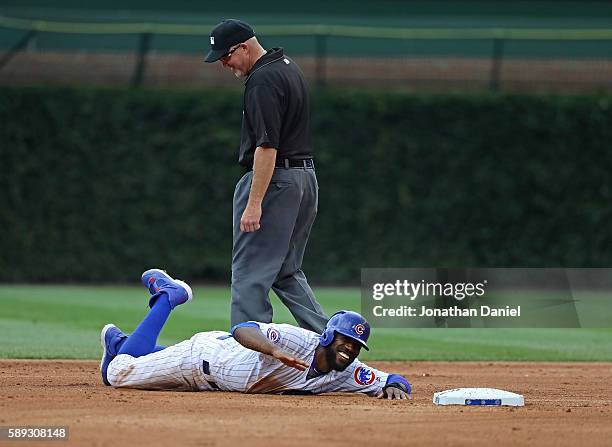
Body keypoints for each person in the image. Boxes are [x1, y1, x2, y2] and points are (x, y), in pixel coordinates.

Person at [100, 269, 412, 399]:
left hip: (214, 384)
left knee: (131, 354)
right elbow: (243, 329)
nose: (351, 350)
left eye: (357, 346)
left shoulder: (347, 372)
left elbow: (393, 379)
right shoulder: (298, 340)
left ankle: (120, 342)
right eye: (347, 341)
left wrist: (396, 385)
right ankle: (170, 296)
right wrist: (273, 350)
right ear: (329, 337)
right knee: (115, 373)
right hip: (198, 360)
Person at [204, 19, 329, 335]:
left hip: (276, 180)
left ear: (243, 47)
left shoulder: (263, 80)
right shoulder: (288, 67)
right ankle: (332, 340)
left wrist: (254, 203)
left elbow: (267, 146)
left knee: (250, 272)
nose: (224, 64)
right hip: (304, 178)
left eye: (225, 56)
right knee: (286, 270)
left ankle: (249, 353)